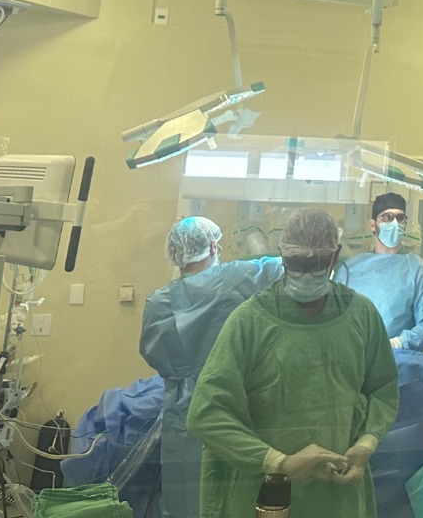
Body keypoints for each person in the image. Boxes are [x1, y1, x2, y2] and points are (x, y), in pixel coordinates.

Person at [187, 208, 399, 518]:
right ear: (282, 255)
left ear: (335, 255)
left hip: (337, 497)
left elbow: (384, 388)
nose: (305, 273)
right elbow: (206, 414)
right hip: (267, 495)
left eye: (316, 263)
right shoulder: (250, 321)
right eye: (296, 263)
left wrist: (366, 443)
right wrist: (279, 463)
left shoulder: (361, 315)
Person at [140, 216, 284, 518]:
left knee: (188, 495)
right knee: (235, 493)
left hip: (184, 411)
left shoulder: (158, 302)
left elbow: (154, 356)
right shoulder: (234, 279)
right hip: (235, 402)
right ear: (214, 245)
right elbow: (283, 268)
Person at [341, 192, 423, 351]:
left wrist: (398, 343)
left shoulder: (420, 271)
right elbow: (334, 315)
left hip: (398, 358)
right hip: (352, 354)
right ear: (372, 225)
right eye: (387, 217)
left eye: (400, 218)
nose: (395, 223)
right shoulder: (350, 269)